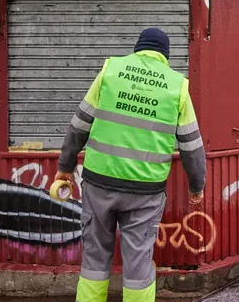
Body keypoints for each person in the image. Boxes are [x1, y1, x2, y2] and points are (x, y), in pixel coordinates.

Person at [55, 28, 206, 302]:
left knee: (94, 258)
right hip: (145, 193)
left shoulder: (111, 71)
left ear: (138, 49)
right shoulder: (176, 85)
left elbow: (78, 126)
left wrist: (65, 166)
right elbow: (191, 146)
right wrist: (197, 186)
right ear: (165, 56)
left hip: (99, 184)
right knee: (137, 263)